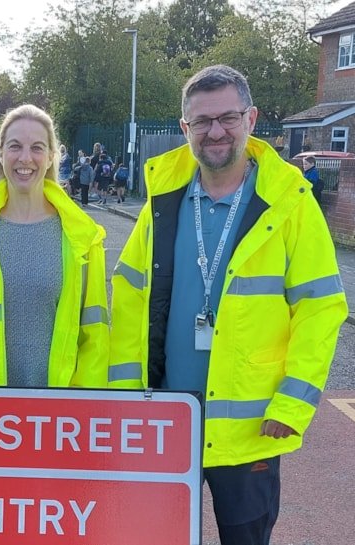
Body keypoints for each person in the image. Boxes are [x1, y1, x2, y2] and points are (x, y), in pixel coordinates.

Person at [109, 65, 347, 544]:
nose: (215, 131)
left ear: (251, 119)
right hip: (167, 419)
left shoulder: (289, 202)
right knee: (155, 535)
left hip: (250, 429)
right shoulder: (164, 200)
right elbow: (130, 297)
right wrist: (126, 398)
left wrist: (293, 401)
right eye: (202, 121)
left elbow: (320, 307)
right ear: (185, 128)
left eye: (227, 118)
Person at [0, 104, 109, 388]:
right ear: (1, 154)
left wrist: (81, 405)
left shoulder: (82, 237)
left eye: (37, 148)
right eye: (15, 146)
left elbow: (94, 338)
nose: (25, 158)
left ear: (51, 157)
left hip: (58, 408)